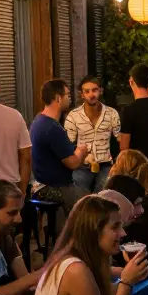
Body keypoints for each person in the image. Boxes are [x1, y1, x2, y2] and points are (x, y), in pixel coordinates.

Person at [30, 79, 90, 215]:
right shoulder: (52, 128)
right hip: (55, 187)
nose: (70, 98)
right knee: (92, 207)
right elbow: (72, 163)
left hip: (41, 184)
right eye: (67, 95)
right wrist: (81, 151)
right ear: (58, 98)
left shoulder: (38, 120)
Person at [64, 76, 120, 193]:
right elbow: (68, 143)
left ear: (101, 91)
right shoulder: (73, 116)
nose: (91, 95)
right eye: (87, 91)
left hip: (106, 164)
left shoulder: (112, 113)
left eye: (94, 90)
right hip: (82, 165)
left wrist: (117, 164)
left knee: (105, 194)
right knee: (78, 193)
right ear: (82, 94)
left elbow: (119, 139)